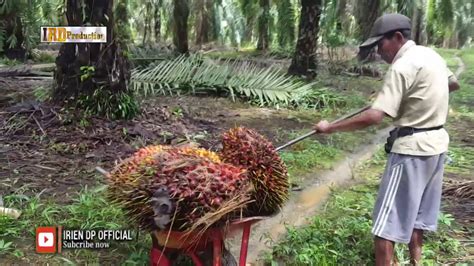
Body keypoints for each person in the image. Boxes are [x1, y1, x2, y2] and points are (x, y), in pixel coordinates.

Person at [313, 13, 460, 265]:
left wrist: (330, 127)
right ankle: (416, 262)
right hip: (436, 147)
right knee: (416, 218)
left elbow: (373, 117)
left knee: (384, 225)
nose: (379, 52)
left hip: (411, 151)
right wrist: (418, 96)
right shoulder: (430, 55)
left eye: (381, 45)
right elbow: (453, 84)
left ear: (398, 37)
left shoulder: (402, 66)